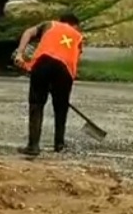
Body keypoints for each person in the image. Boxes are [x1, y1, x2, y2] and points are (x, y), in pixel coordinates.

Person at [13, 12, 83, 156]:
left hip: (43, 63)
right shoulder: (78, 36)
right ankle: (59, 144)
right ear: (74, 25)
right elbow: (75, 58)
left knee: (37, 104)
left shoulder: (49, 24)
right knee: (61, 107)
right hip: (65, 71)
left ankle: (33, 146)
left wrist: (20, 53)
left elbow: (28, 33)